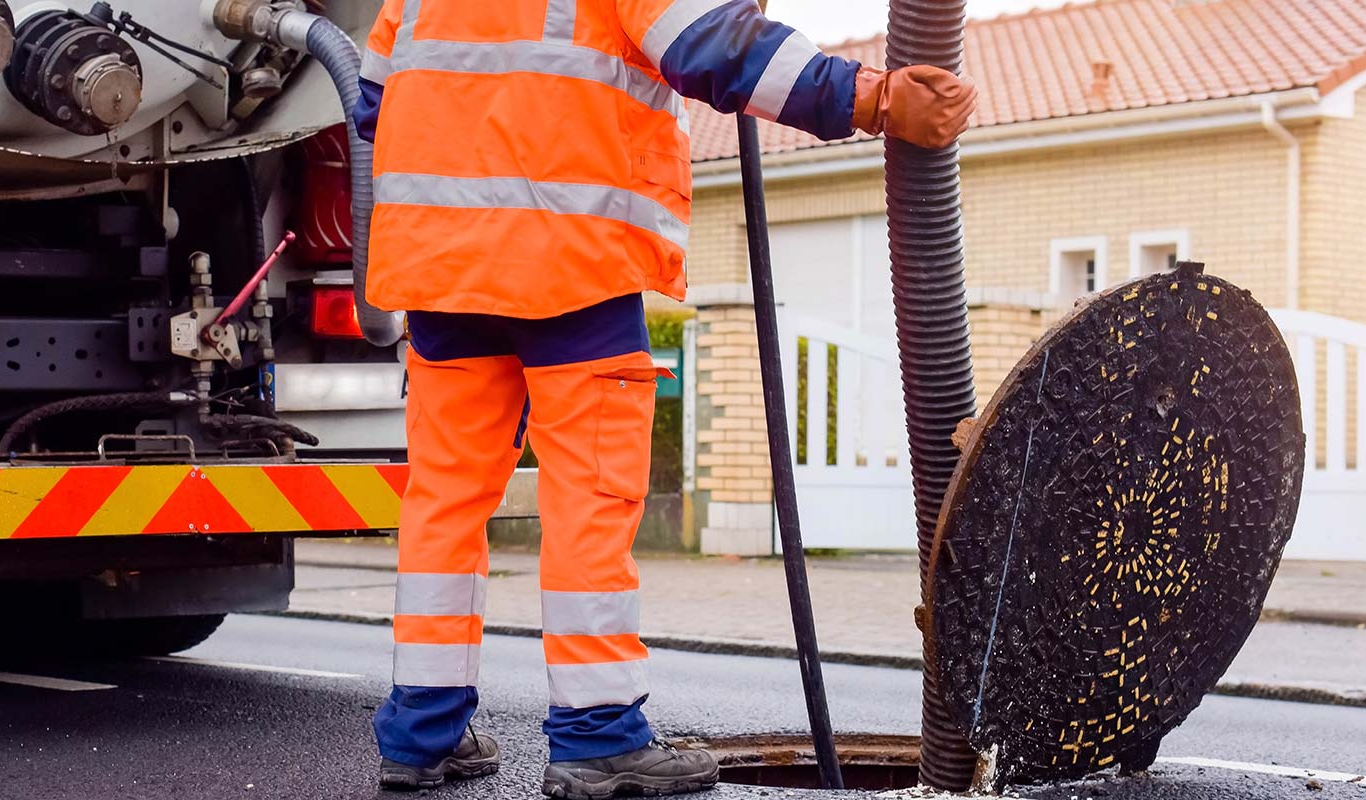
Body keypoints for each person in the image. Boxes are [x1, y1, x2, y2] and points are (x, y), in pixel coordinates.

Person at [352, 0, 975, 796]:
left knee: (443, 502)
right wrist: (873, 98)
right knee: (590, 500)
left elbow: (375, 106)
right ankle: (596, 734)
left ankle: (419, 735)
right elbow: (714, 46)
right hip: (573, 266)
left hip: (440, 275)